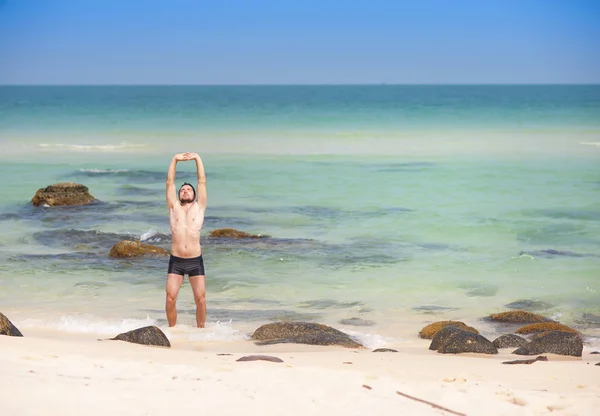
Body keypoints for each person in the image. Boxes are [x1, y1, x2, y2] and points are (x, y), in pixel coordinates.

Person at [165, 152, 207, 328]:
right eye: (182, 190)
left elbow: (202, 180)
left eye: (188, 189)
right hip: (176, 260)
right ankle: (172, 330)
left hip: (195, 260)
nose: (185, 191)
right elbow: (169, 182)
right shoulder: (174, 207)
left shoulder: (199, 206)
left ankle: (201, 330)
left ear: (194, 194)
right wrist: (175, 159)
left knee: (200, 299)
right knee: (170, 298)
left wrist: (197, 158)